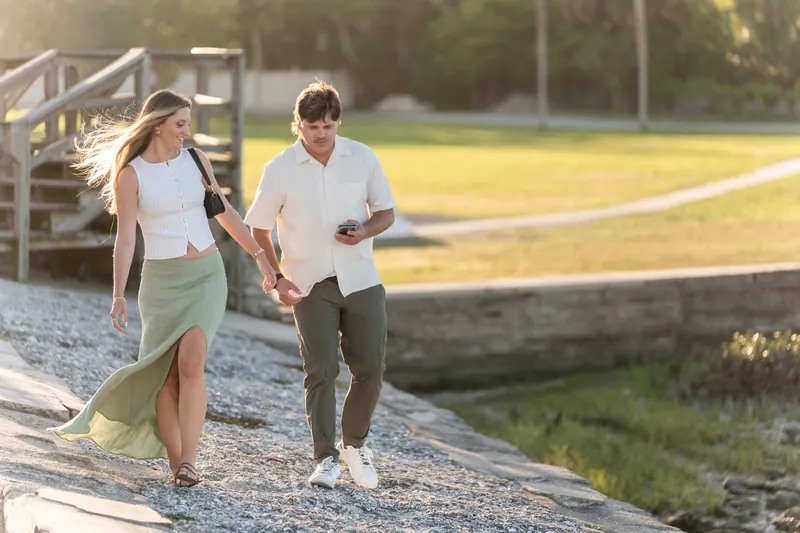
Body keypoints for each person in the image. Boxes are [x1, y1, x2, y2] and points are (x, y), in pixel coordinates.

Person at [49, 89, 276, 487]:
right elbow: (125, 240)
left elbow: (224, 212)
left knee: (191, 361)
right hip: (161, 285)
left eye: (187, 124)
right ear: (157, 126)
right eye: (180, 125)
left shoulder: (195, 160)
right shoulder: (131, 175)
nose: (187, 133)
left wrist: (258, 253)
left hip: (206, 276)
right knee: (164, 378)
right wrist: (119, 294)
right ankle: (178, 466)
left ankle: (190, 460)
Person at [245, 82, 396, 490]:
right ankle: (326, 457)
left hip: (361, 279)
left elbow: (386, 213)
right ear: (298, 124)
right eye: (313, 125)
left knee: (370, 370)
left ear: (337, 122)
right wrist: (276, 277)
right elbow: (256, 227)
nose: (322, 133)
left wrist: (363, 230)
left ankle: (355, 445)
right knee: (321, 371)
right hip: (309, 285)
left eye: (329, 125)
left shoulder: (361, 157)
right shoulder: (279, 168)